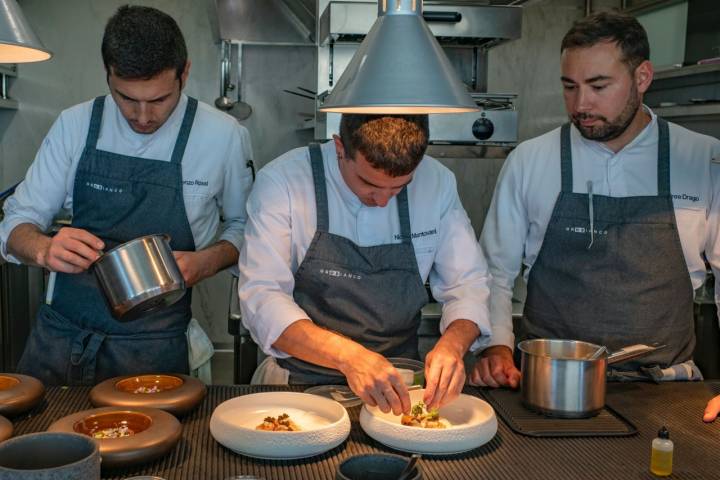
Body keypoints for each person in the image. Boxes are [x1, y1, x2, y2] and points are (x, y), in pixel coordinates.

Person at [468, 11, 720, 418]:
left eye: (598, 86)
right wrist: (496, 347)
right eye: (570, 87)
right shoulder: (531, 161)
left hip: (666, 390)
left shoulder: (702, 158)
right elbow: (493, 272)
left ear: (642, 78)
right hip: (548, 386)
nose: (581, 104)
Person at [0, 5, 253, 385]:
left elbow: (244, 227)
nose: (142, 116)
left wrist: (207, 262)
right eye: (126, 98)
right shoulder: (75, 124)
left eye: (159, 100)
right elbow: (17, 222)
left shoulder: (223, 136)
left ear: (184, 73)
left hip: (155, 345)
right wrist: (42, 249)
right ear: (109, 75)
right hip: (60, 340)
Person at [238, 114, 490, 414]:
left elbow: (468, 285)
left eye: (399, 188)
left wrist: (453, 345)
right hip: (300, 385)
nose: (383, 201)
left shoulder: (438, 182)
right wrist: (349, 357)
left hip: (401, 391)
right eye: (369, 183)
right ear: (340, 147)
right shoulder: (284, 181)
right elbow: (262, 297)